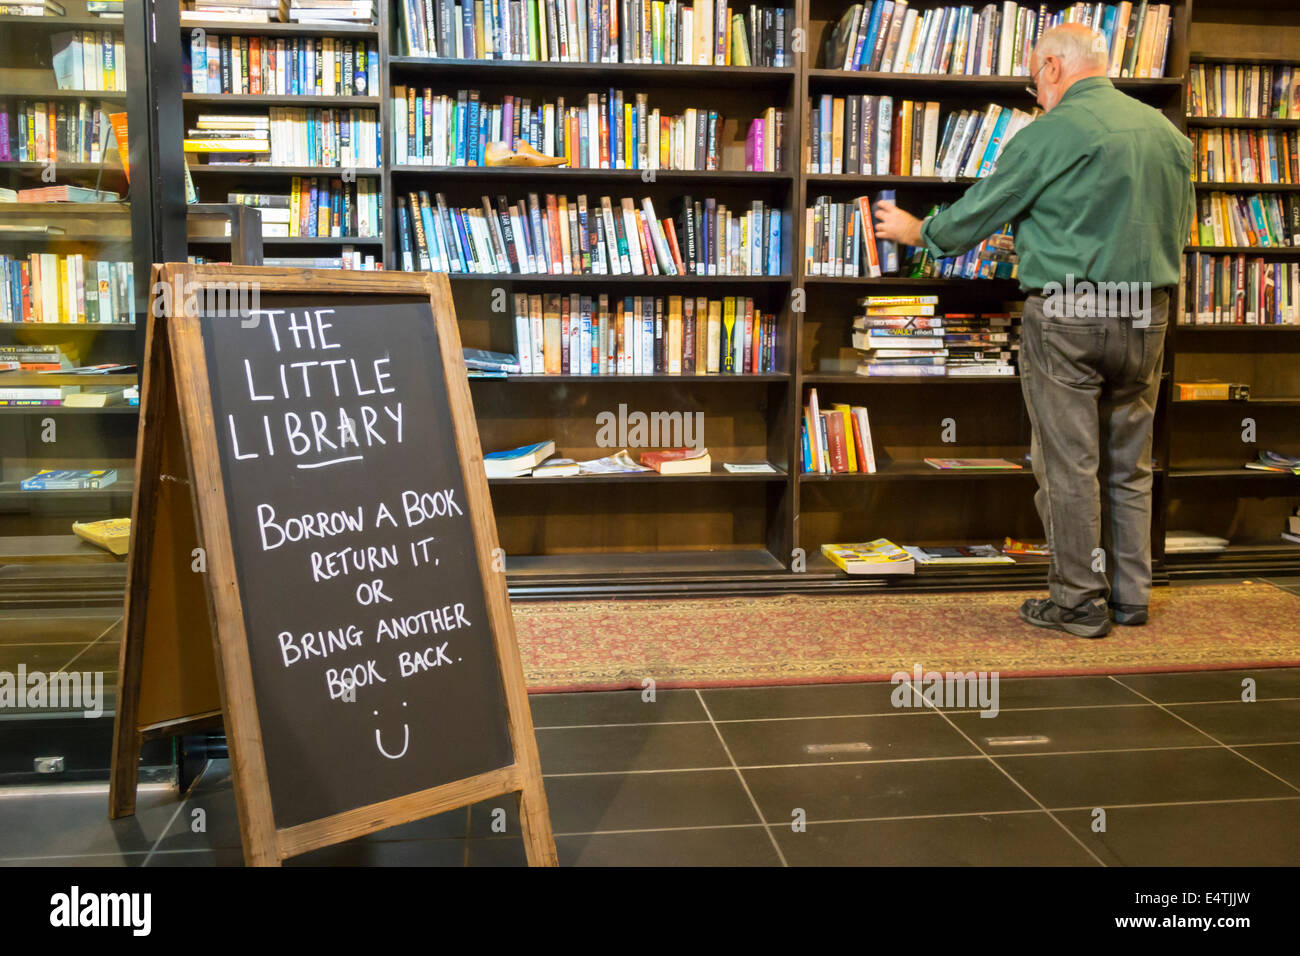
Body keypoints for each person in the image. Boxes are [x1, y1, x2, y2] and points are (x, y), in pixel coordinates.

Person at [873, 23, 1195, 638]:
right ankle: (1131, 598)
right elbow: (1174, 230)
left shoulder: (1050, 133)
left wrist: (921, 233)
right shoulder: (1166, 133)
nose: (1035, 94)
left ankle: (1077, 603)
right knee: (1130, 462)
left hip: (1071, 312)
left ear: (1052, 66)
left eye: (1033, 80)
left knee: (1069, 464)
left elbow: (984, 208)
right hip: (1146, 311)